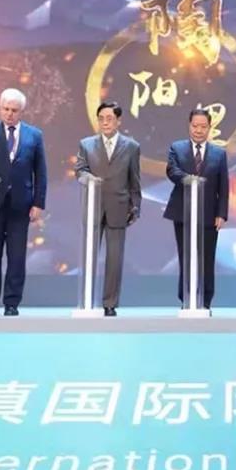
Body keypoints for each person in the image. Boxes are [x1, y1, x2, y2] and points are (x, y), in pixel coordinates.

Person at [0, 88, 47, 316]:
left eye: (14, 110)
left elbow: (40, 171)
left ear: (21, 111)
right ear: (0, 108)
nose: (9, 114)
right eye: (5, 109)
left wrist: (38, 203)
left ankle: (12, 302)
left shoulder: (34, 135)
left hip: (21, 204)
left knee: (16, 257)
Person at [74, 101, 142, 317]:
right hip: (93, 206)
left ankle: (110, 303)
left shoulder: (131, 146)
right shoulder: (86, 144)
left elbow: (134, 179)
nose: (105, 122)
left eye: (110, 118)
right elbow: (79, 170)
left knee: (114, 259)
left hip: (118, 207)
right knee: (89, 255)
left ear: (118, 121)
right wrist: (89, 178)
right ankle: (87, 300)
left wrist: (136, 206)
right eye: (101, 118)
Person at [164, 108, 229, 310]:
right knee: (186, 257)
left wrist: (222, 213)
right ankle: (186, 299)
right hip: (182, 212)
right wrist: (189, 179)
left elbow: (224, 186)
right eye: (195, 126)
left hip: (209, 214)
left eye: (203, 126)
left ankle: (205, 301)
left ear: (209, 128)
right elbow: (172, 171)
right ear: (189, 126)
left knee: (207, 258)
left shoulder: (219, 153)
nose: (199, 130)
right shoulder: (177, 148)